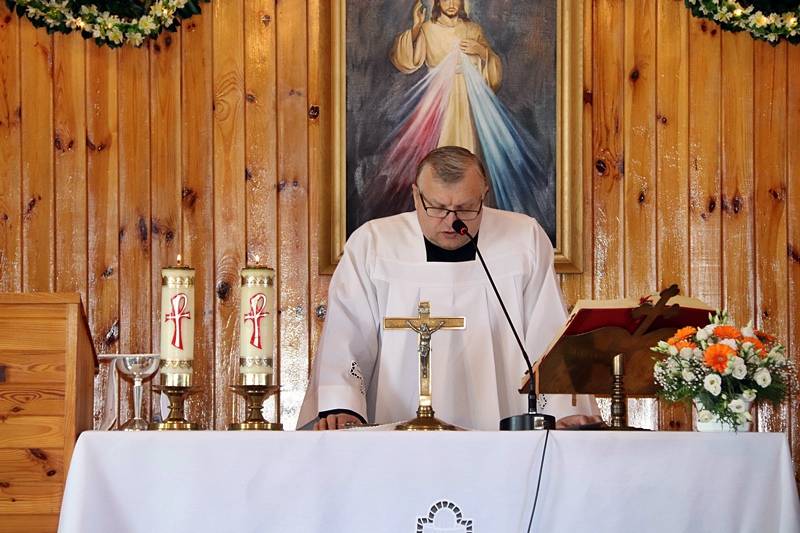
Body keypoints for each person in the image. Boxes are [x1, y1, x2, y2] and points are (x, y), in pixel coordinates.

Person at [298, 146, 598, 430]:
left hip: (503, 434)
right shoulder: (373, 243)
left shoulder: (523, 239)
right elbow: (347, 332)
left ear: (484, 196)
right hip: (397, 430)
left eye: (466, 208)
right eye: (438, 208)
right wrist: (343, 406)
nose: (452, 221)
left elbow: (547, 331)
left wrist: (562, 412)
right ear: (416, 195)